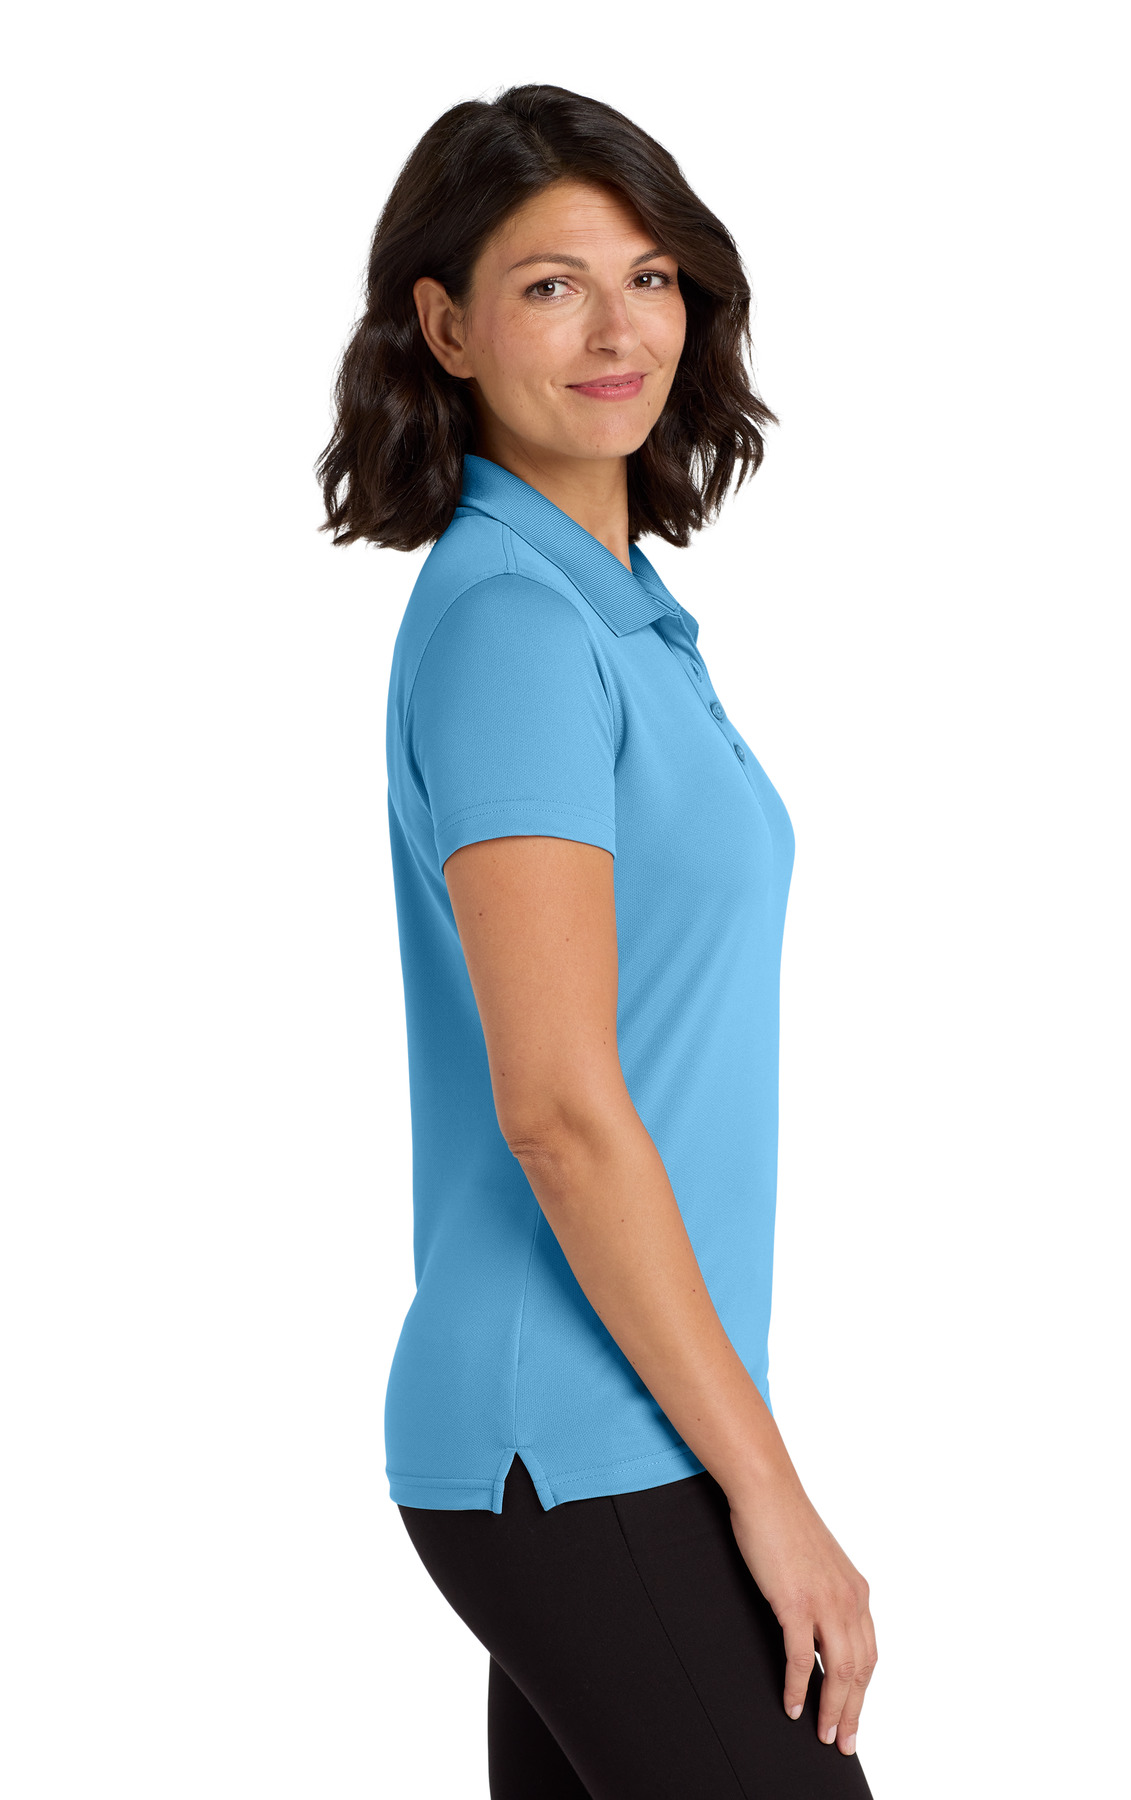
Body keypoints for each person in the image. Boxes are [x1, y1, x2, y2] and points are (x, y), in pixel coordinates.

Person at [318, 83, 878, 1800]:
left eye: (650, 277)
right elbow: (558, 1107)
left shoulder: (613, 615)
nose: (619, 329)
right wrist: (770, 1490)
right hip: (575, 1438)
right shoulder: (511, 623)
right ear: (447, 328)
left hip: (621, 1426)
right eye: (552, 285)